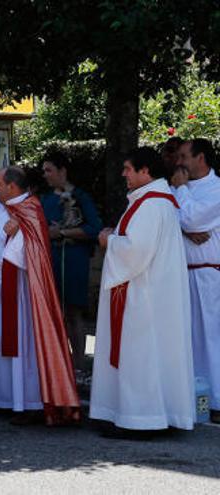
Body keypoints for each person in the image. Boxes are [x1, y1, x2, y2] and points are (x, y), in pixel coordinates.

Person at [90, 147, 194, 436]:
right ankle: (158, 415)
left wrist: (109, 240)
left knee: (140, 355)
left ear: (145, 171)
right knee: (154, 355)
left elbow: (136, 251)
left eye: (127, 168)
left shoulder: (150, 205)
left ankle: (140, 420)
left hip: (142, 295)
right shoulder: (158, 201)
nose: (123, 173)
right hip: (153, 291)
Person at [0, 167, 80, 426]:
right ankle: (5, 399)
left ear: (13, 187)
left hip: (21, 290)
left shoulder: (29, 209)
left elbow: (29, 252)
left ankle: (29, 403)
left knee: (22, 347)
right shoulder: (1, 206)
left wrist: (15, 234)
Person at [170, 139, 220, 424]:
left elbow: (190, 220)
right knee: (187, 339)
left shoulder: (216, 189)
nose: (180, 162)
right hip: (181, 271)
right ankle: (191, 395)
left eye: (184, 156)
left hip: (207, 273)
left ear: (201, 158)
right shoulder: (177, 188)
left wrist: (182, 191)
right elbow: (169, 219)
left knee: (210, 339)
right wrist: (186, 230)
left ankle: (216, 400)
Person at [39, 152, 103, 374]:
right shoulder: (45, 199)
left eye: (49, 170)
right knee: (54, 312)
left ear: (62, 171)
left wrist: (64, 232)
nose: (45, 174)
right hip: (51, 259)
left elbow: (95, 228)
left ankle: (79, 365)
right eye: (44, 170)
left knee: (74, 311)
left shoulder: (81, 197)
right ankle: (57, 365)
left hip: (75, 258)